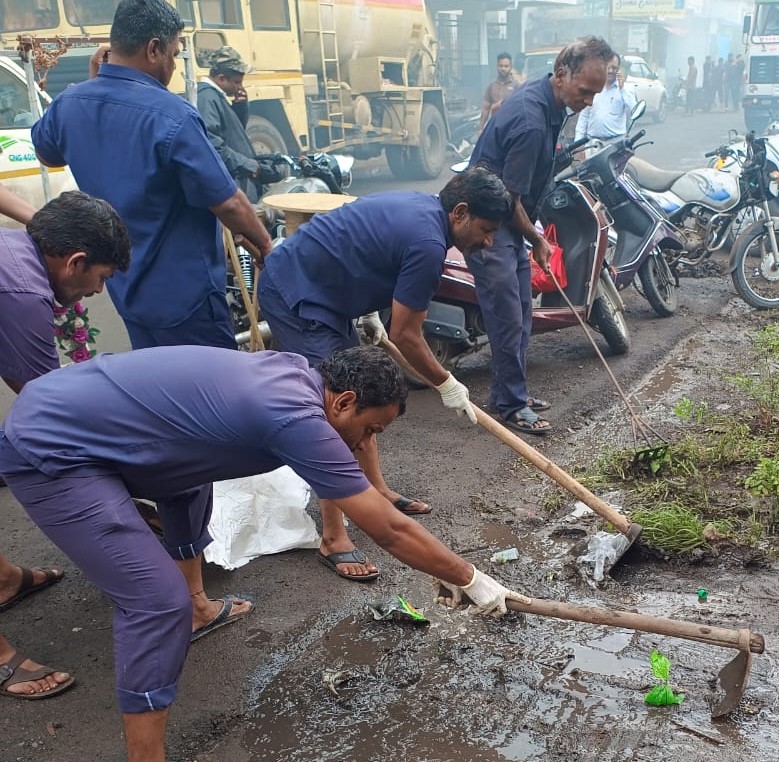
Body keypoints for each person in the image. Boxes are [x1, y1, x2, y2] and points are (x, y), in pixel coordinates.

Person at [0, 344, 528, 760]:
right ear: (342, 401)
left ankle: (200, 607)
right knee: (155, 601)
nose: (363, 442)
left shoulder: (297, 374)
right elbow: (389, 529)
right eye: (369, 430)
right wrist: (472, 579)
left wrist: (442, 568)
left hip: (87, 409)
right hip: (53, 445)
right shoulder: (295, 416)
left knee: (192, 478)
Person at [31, 0, 272, 641]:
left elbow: (47, 148)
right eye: (176, 50)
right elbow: (227, 200)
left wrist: (89, 81)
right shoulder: (172, 114)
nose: (176, 62)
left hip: (123, 286)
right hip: (184, 297)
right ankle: (192, 595)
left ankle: (163, 527)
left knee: (152, 408)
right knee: (194, 433)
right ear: (159, 50)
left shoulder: (76, 102)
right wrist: (270, 250)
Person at [257, 167, 513, 581]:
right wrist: (446, 384)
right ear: (460, 213)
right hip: (296, 294)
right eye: (485, 230)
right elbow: (408, 336)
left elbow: (364, 251)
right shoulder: (430, 242)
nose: (488, 241)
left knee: (364, 397)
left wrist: (369, 309)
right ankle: (333, 537)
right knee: (337, 413)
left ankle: (376, 491)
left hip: (327, 293)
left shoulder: (423, 209)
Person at [0, 189, 131, 699]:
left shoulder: (18, 252)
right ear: (75, 260)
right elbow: (47, 407)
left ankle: (4, 580)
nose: (97, 293)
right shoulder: (22, 294)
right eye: (99, 279)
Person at [468, 36, 611, 436]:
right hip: (489, 226)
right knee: (507, 318)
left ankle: (509, 393)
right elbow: (508, 198)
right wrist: (538, 238)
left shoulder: (550, 100)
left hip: (507, 222)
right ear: (562, 74)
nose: (589, 101)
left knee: (522, 314)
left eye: (595, 93)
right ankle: (510, 407)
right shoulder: (531, 119)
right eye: (585, 92)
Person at [196, 46, 281, 204]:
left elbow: (232, 134)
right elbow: (212, 146)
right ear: (221, 78)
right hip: (230, 186)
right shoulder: (207, 98)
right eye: (237, 82)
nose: (240, 87)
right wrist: (248, 165)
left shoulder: (216, 97)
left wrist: (240, 108)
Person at [575, 52, 637, 142]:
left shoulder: (625, 89)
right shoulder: (593, 87)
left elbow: (633, 111)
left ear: (618, 69)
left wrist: (622, 89)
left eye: (614, 68)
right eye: (608, 67)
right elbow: (584, 116)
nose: (611, 71)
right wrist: (578, 142)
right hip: (593, 143)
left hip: (616, 142)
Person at [479, 52, 520, 132]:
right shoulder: (491, 86)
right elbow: (485, 109)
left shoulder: (516, 86)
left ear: (511, 67)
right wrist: (480, 128)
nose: (503, 69)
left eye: (506, 66)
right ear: (497, 66)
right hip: (494, 127)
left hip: (511, 128)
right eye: (500, 66)